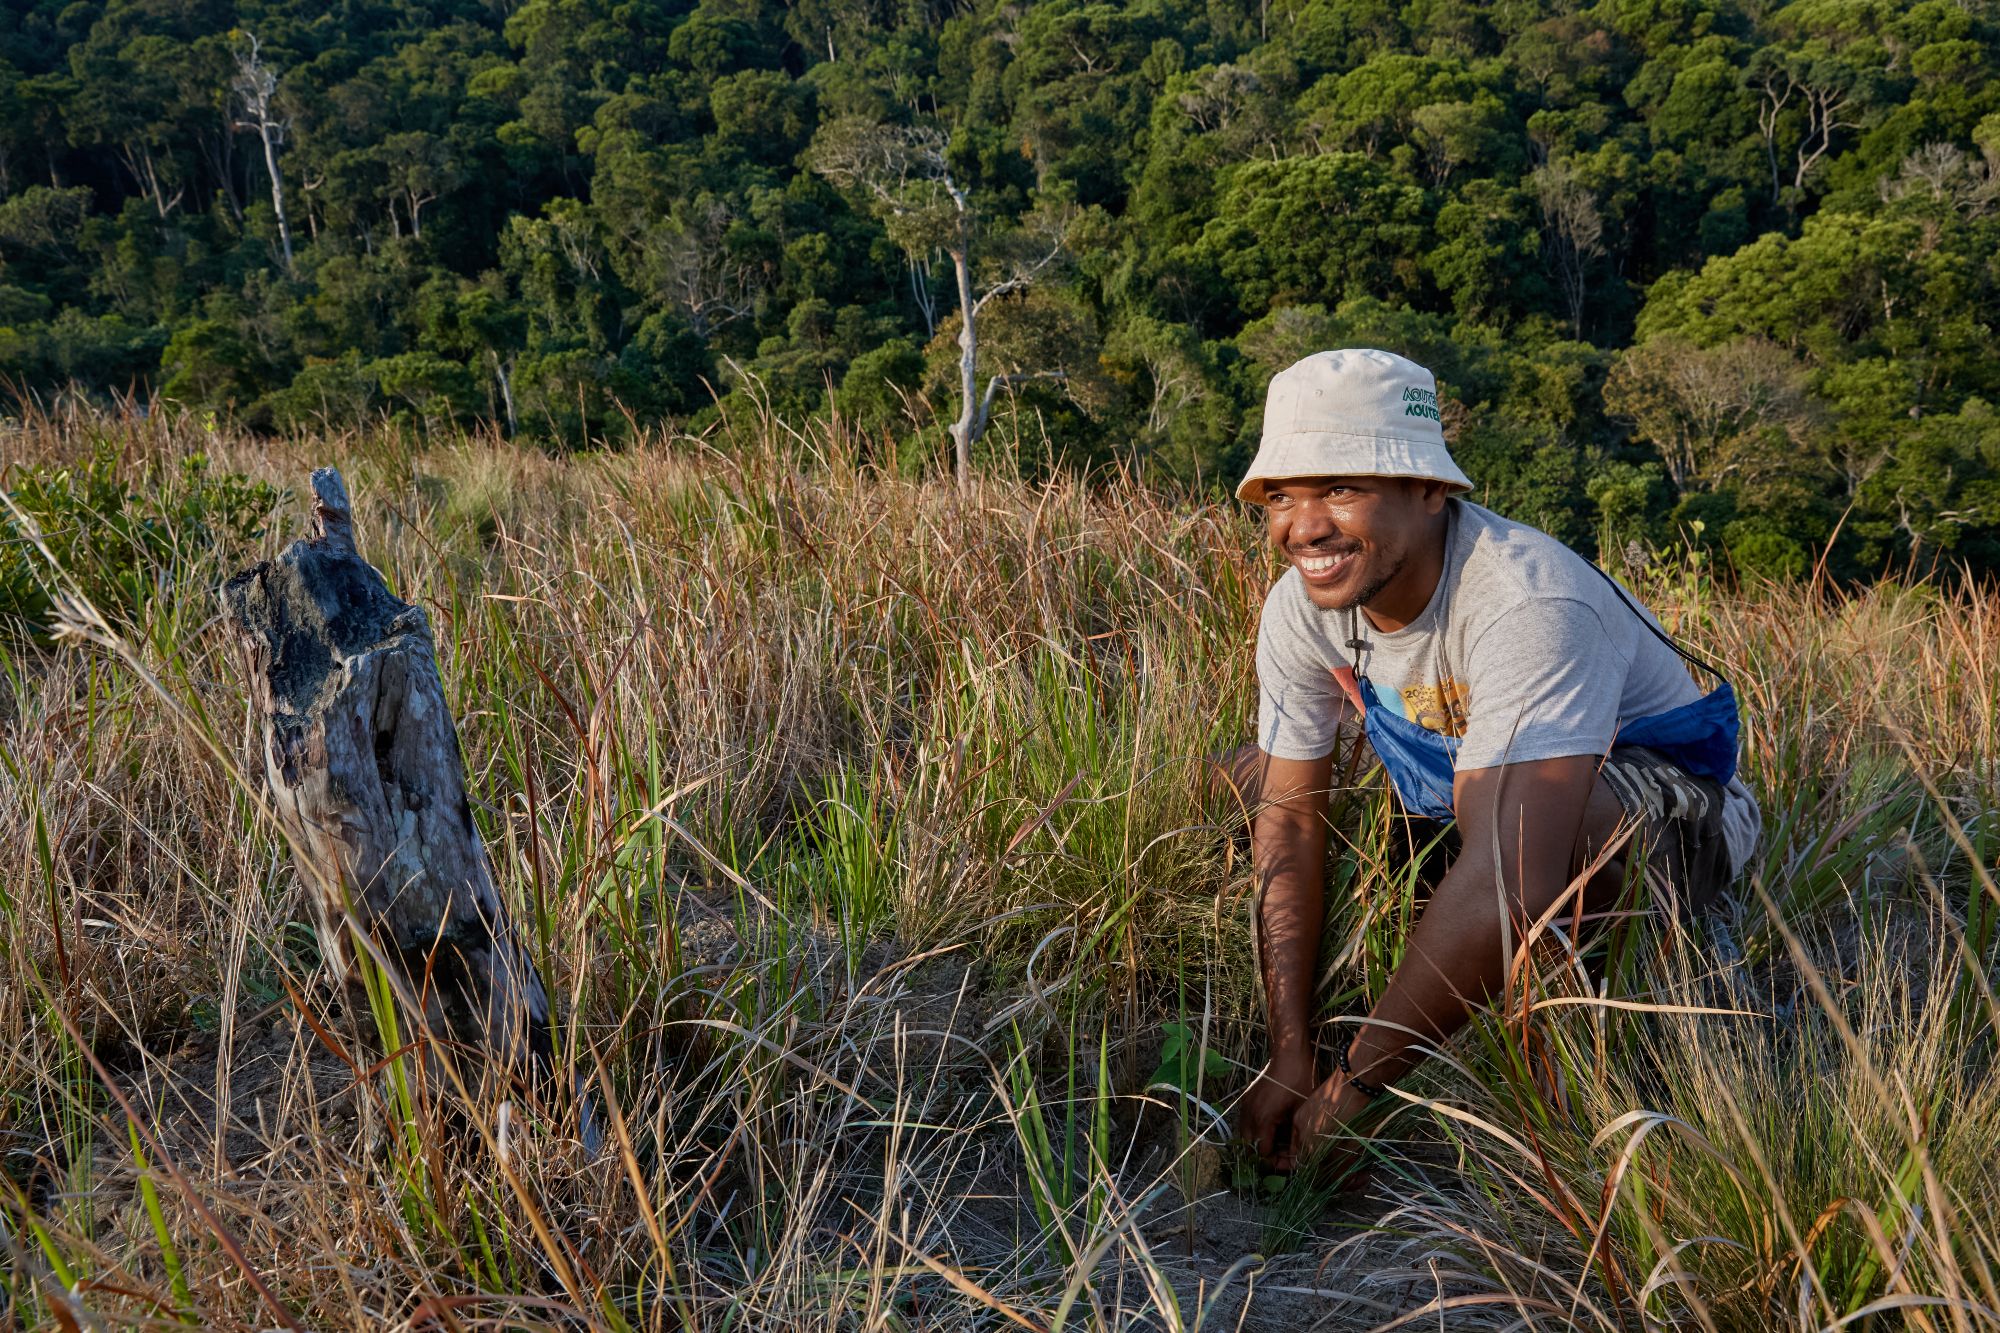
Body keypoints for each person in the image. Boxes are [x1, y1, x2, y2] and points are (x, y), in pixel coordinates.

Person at [1225, 348, 1759, 1174]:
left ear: (1429, 490)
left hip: (1660, 804)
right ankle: (1453, 943)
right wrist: (1288, 1048)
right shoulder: (1301, 608)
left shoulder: (1528, 600)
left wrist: (1353, 1088)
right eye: (1282, 496)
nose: (1304, 526)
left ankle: (1632, 999)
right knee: (1252, 779)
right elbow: (1291, 818)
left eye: (1340, 488)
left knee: (1551, 845)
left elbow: (1512, 876)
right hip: (1469, 789)